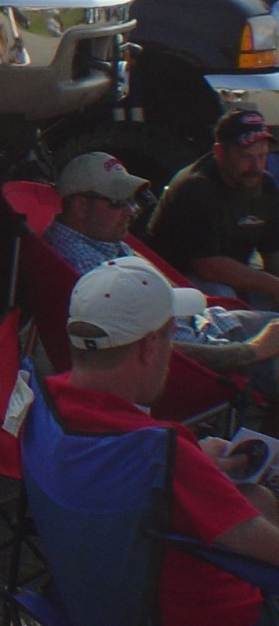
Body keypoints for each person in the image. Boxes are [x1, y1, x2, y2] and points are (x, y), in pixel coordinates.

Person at [40, 257, 279, 624]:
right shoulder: (162, 453)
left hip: (93, 598)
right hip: (219, 614)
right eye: (172, 335)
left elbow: (132, 472)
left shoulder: (45, 406)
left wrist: (199, 463)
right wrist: (192, 466)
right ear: (151, 346)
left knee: (258, 497)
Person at [43, 151, 279, 391]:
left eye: (132, 199)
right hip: (206, 361)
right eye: (119, 201)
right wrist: (252, 350)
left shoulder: (100, 239)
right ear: (81, 207)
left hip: (207, 324)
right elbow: (148, 350)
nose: (132, 210)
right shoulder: (89, 273)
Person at [149, 110, 279, 307]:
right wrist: (274, 286)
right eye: (246, 156)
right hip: (174, 283)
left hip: (228, 277)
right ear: (220, 152)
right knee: (223, 295)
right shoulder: (196, 187)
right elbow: (208, 266)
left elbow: (273, 253)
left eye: (262, 156)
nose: (256, 166)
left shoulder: (264, 184)